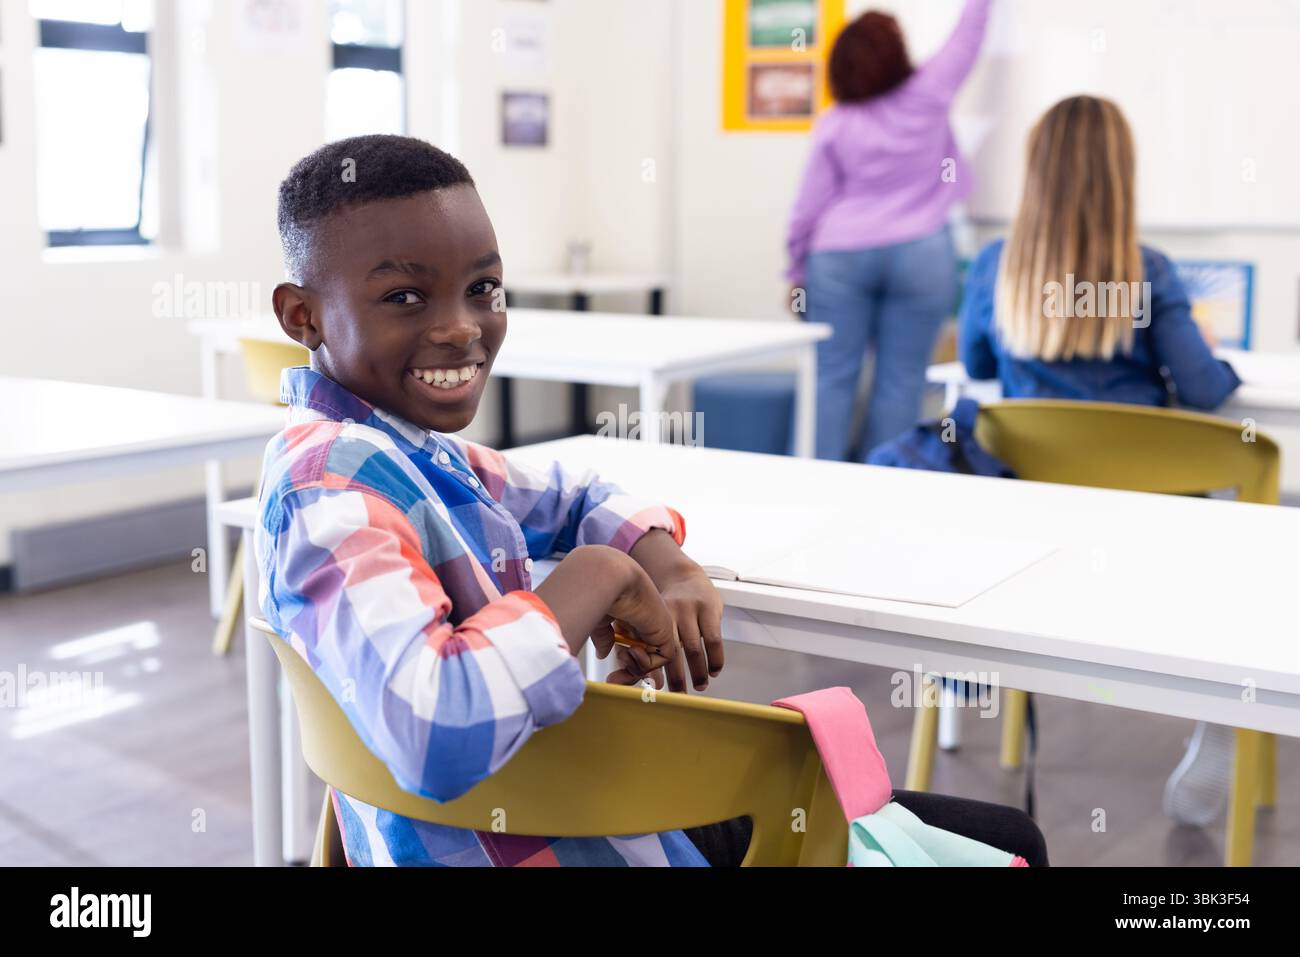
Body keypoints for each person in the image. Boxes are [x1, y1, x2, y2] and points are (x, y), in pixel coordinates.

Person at [258, 133, 1047, 865]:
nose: (462, 328)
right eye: (405, 297)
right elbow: (435, 727)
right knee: (1006, 840)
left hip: (574, 811)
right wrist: (598, 575)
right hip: (552, 837)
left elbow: (573, 491)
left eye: (483, 287)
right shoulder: (330, 489)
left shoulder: (406, 455)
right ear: (304, 315)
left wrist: (658, 558)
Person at [957, 96, 1241, 827]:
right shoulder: (1149, 272)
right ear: (1121, 174)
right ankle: (1218, 699)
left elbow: (974, 361)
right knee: (1246, 537)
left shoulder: (996, 267)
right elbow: (1205, 392)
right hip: (1151, 529)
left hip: (1029, 531)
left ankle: (956, 692)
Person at [787, 0, 992, 461]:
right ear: (898, 55)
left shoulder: (835, 122)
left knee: (831, 378)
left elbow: (806, 209)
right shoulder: (930, 92)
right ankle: (883, 489)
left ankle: (813, 487)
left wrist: (794, 273)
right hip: (921, 251)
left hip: (839, 255)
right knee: (902, 381)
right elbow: (969, 32)